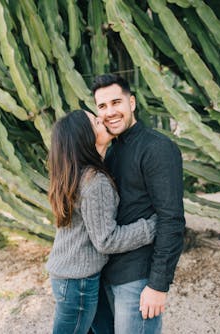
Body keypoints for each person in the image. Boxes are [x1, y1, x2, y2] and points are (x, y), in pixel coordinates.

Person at [45, 109, 158, 334]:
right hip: (78, 282)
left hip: (73, 276)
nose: (103, 119)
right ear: (86, 137)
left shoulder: (78, 174)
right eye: (96, 121)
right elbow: (106, 240)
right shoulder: (95, 182)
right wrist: (151, 226)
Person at [91, 74, 185, 334]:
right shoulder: (108, 149)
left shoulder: (157, 148)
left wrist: (158, 285)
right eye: (102, 106)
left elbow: (172, 219)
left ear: (132, 103)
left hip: (138, 278)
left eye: (116, 102)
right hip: (105, 273)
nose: (110, 112)